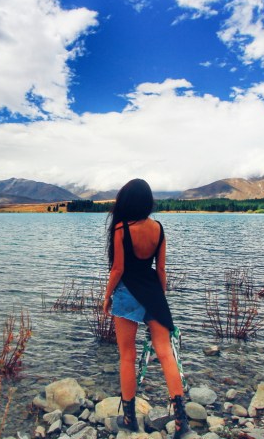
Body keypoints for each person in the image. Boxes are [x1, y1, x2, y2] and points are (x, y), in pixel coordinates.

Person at [102, 178, 190, 438]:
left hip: (127, 291)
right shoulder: (158, 228)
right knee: (165, 354)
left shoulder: (121, 228)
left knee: (127, 356)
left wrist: (106, 296)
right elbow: (161, 269)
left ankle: (129, 418)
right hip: (152, 291)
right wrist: (159, 298)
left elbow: (118, 269)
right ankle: (181, 422)